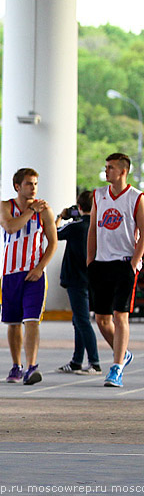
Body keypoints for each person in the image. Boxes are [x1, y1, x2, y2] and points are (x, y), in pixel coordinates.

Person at [0, 167, 57, 386]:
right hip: (10, 274)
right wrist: (31, 212)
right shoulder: (6, 206)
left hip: (34, 274)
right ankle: (17, 365)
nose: (33, 188)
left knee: (31, 321)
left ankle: (32, 367)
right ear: (17, 186)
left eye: (35, 184)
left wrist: (40, 267)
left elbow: (52, 243)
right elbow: (11, 227)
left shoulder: (45, 212)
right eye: (28, 184)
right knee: (13, 323)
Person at [87, 153, 141, 387]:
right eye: (106, 167)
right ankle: (123, 353)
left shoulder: (136, 197)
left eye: (110, 167)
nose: (106, 171)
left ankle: (116, 367)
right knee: (101, 319)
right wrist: (90, 259)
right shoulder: (99, 196)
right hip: (101, 264)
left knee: (120, 316)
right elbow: (92, 229)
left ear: (122, 171)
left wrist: (133, 263)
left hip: (124, 263)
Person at [55, 191, 100, 375]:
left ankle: (94, 362)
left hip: (76, 279)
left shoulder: (76, 227)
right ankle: (76, 361)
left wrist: (61, 216)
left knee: (82, 321)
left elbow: (54, 233)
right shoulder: (98, 226)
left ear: (79, 207)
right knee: (79, 320)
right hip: (93, 278)